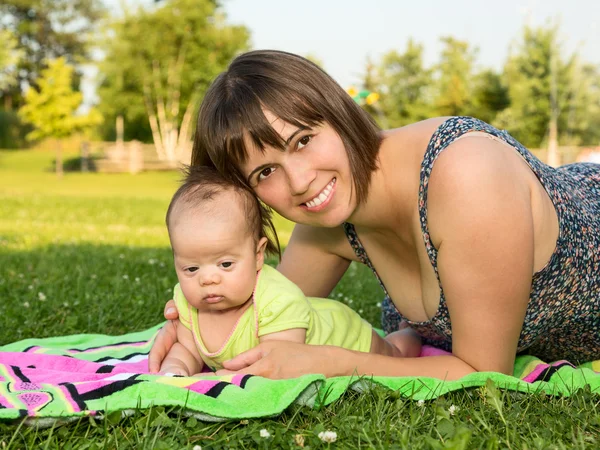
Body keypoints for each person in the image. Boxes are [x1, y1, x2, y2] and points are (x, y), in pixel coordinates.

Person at [149, 50, 600, 380]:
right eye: (266, 171)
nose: (301, 181)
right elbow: (261, 315)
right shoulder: (326, 222)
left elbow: (484, 373)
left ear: (336, 111)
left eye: (303, 140)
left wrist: (335, 363)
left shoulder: (467, 175)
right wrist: (193, 329)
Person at [160, 165, 421, 376]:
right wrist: (177, 368)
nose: (208, 279)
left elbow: (278, 362)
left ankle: (410, 332)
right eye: (191, 268)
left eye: (225, 264)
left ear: (258, 255)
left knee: (396, 355)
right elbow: (187, 349)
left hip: (345, 335)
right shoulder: (187, 301)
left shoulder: (277, 299)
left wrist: (216, 377)